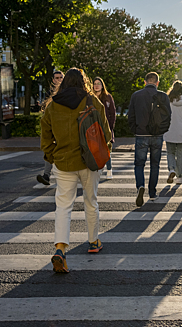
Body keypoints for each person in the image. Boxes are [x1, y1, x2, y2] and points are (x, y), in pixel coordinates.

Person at [40, 68, 112, 273]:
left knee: (63, 206)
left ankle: (60, 249)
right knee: (91, 201)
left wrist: (52, 156)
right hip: (89, 161)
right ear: (84, 82)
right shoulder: (91, 101)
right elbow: (106, 132)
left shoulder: (53, 106)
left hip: (63, 162)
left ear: (62, 83)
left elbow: (45, 136)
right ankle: (93, 242)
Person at [128, 72, 171, 206]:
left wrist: (135, 130)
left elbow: (131, 116)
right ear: (157, 83)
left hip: (141, 134)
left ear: (145, 82)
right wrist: (163, 130)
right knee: (155, 164)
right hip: (157, 135)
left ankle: (140, 186)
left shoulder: (136, 95)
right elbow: (168, 116)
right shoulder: (163, 96)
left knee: (139, 164)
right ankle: (152, 193)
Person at [37, 70, 64, 185]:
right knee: (49, 150)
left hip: (63, 127)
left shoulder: (66, 92)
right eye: (56, 78)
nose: (58, 80)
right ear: (53, 80)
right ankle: (46, 175)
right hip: (53, 126)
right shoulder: (49, 94)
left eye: (60, 77)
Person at [93, 77, 116, 179]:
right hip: (93, 127)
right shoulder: (90, 97)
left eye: (99, 83)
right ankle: (96, 169)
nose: (97, 85)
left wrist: (110, 127)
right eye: (95, 83)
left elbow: (112, 113)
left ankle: (109, 169)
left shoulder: (107, 97)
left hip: (105, 127)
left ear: (102, 86)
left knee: (106, 149)